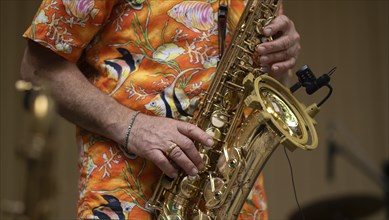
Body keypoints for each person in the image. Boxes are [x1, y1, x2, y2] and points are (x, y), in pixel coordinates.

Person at [21, 0, 300, 219]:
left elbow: (261, 83)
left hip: (232, 199)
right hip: (130, 198)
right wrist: (133, 126)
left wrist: (280, 61)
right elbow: (37, 68)